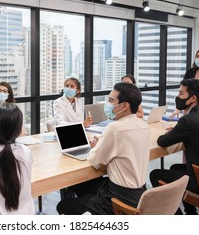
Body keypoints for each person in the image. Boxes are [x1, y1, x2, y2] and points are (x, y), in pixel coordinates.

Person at [56, 82, 150, 215]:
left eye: (111, 101)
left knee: (64, 205)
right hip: (139, 193)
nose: (107, 104)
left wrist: (99, 146)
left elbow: (95, 161)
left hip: (117, 199)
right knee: (82, 184)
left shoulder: (115, 128)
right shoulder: (143, 125)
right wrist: (104, 143)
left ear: (124, 106)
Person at [150, 79, 199, 215]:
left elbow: (162, 141)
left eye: (181, 93)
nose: (178, 97)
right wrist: (179, 131)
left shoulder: (188, 120)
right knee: (175, 168)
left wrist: (174, 132)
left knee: (155, 174)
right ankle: (191, 213)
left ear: (192, 98)